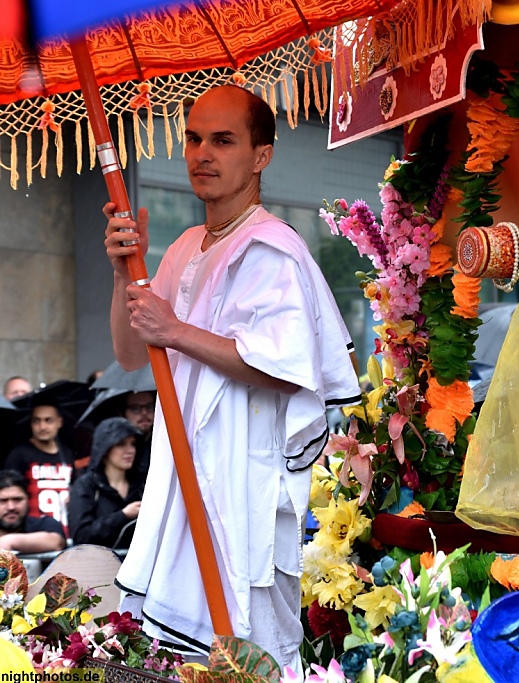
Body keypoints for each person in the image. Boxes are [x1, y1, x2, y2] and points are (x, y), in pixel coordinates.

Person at [103, 84, 361, 669]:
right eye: (193, 139)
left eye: (222, 141)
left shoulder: (274, 248)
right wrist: (124, 275)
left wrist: (174, 330)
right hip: (180, 477)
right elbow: (129, 353)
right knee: (173, 662)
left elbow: (283, 367)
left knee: (251, 655)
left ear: (261, 155)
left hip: (242, 485)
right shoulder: (184, 247)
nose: (202, 154)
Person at [67, 417, 144, 548]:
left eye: (133, 443)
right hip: (98, 565)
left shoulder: (141, 485)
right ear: (105, 449)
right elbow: (81, 536)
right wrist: (123, 515)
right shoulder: (86, 485)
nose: (130, 450)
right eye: (121, 444)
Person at [5, 399, 76, 528]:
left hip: (67, 528)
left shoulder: (67, 454)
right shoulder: (19, 454)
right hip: (33, 531)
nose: (42, 427)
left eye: (48, 420)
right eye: (36, 421)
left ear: (59, 422)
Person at [0, 470, 67, 553]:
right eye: (3, 501)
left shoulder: (44, 524)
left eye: (17, 499)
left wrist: (10, 541)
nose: (11, 507)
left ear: (28, 499)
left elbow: (56, 542)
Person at [122, 391, 156, 480]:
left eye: (149, 407)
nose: (144, 413)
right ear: (123, 413)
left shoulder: (166, 442)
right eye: (135, 408)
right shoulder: (115, 444)